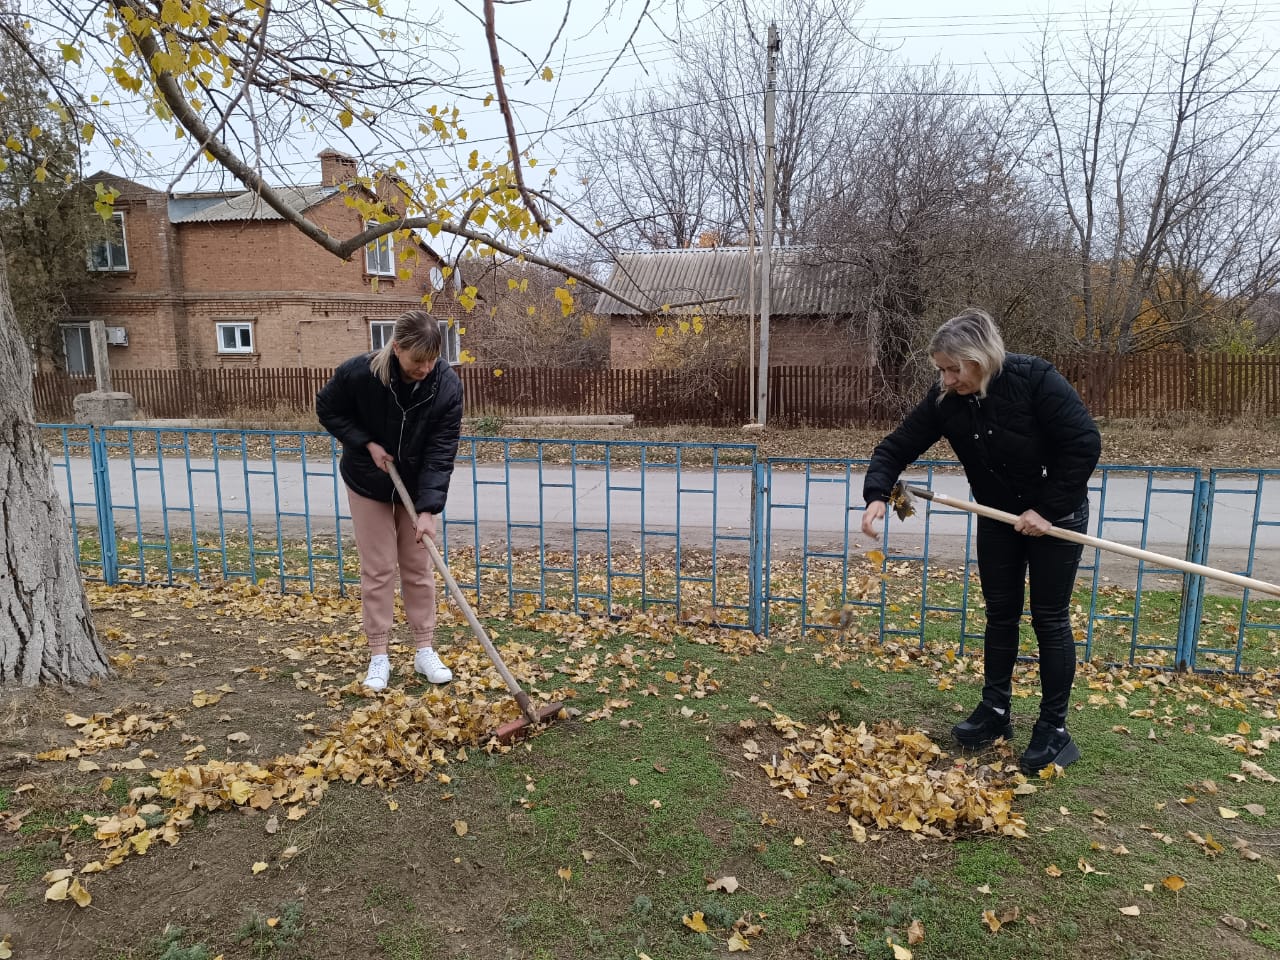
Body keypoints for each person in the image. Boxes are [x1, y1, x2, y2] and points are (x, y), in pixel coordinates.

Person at [861, 308, 1101, 775]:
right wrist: (876, 494)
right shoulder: (947, 399)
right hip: (997, 517)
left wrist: (1045, 510)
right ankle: (995, 711)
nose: (947, 379)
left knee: (1049, 618)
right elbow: (895, 446)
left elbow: (1083, 444)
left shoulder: (1035, 379)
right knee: (1000, 614)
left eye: (954, 368)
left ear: (982, 359)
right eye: (941, 370)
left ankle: (1054, 729)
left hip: (1056, 517)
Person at [317, 309, 464, 692]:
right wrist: (366, 444)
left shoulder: (445, 385)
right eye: (418, 360)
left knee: (419, 566)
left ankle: (424, 649)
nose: (426, 368)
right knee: (379, 568)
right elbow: (328, 409)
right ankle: (379, 654)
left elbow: (441, 449)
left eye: (433, 359)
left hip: (416, 486)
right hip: (368, 480)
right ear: (397, 348)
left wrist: (429, 510)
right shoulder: (360, 373)